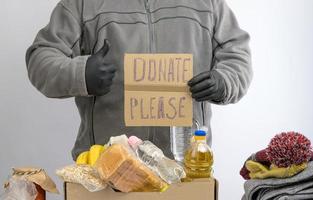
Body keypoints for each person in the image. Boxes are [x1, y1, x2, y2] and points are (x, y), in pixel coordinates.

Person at [26, 0, 252, 160]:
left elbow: (237, 56)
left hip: (186, 168)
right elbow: (40, 59)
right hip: (105, 171)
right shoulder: (84, 4)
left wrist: (224, 81)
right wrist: (81, 73)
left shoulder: (207, 4)